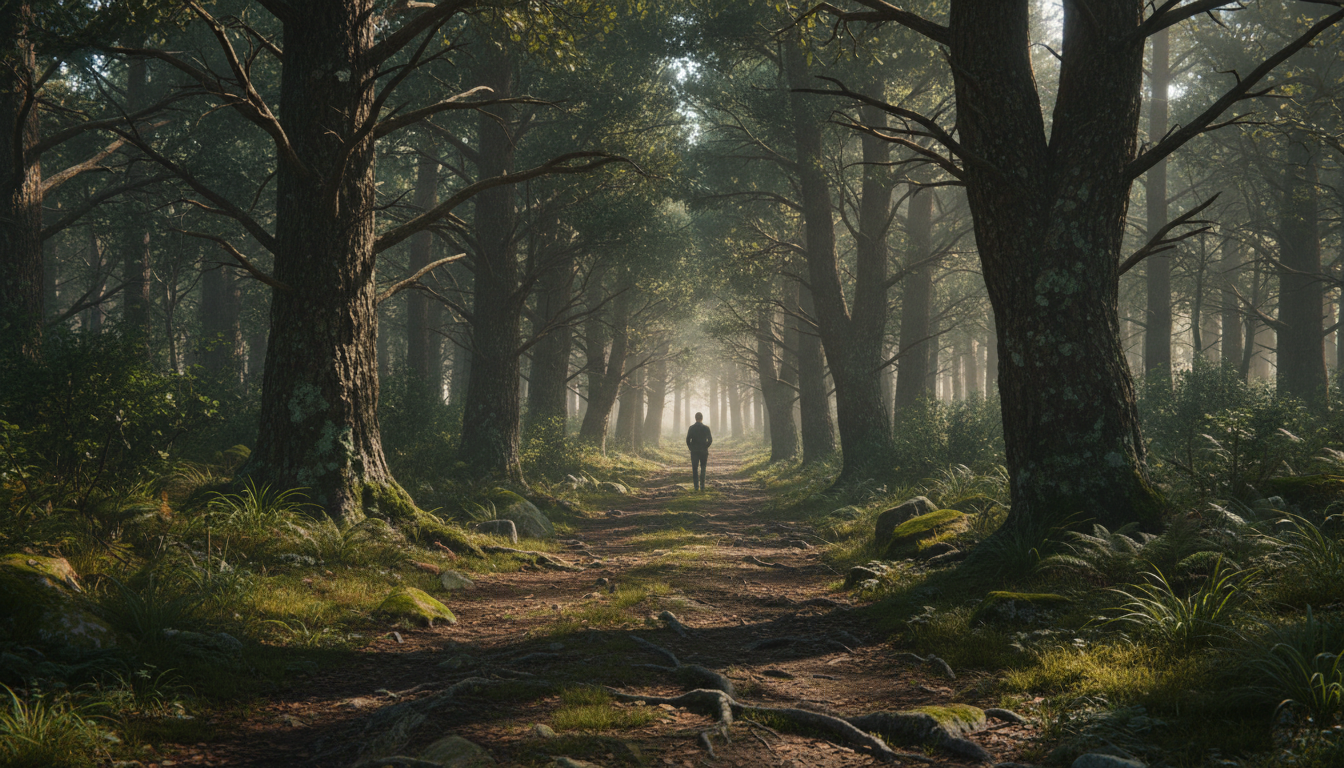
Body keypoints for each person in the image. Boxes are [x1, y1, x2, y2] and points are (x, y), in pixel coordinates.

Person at [686, 412, 712, 491]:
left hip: (694, 451)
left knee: (695, 468)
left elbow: (688, 440)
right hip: (703, 451)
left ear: (695, 418)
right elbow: (710, 440)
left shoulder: (691, 428)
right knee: (703, 468)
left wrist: (691, 447)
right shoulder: (706, 428)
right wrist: (705, 446)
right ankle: (702, 486)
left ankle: (696, 487)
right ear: (702, 418)